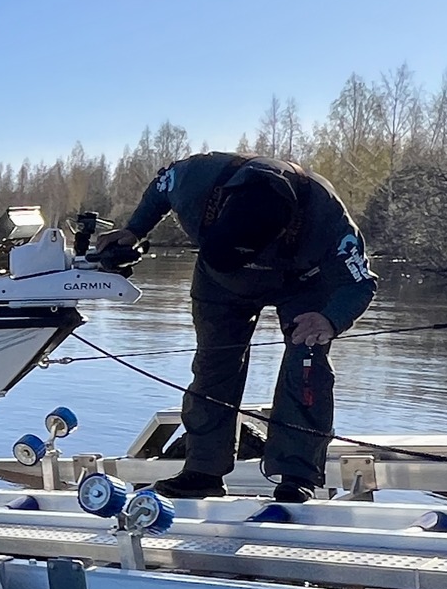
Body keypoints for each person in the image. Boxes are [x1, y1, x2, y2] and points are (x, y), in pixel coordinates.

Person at [94, 152, 376, 502]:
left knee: (307, 361)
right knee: (214, 365)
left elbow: (360, 283)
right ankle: (202, 473)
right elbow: (160, 187)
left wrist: (331, 319)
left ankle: (296, 477)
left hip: (303, 283)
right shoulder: (196, 178)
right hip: (220, 280)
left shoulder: (328, 218)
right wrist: (134, 228)